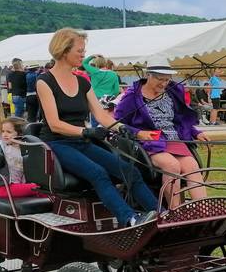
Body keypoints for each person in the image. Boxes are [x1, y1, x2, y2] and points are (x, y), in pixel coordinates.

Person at [35, 27, 158, 228]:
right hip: (57, 143)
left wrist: (125, 129)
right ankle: (130, 219)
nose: (84, 55)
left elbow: (101, 115)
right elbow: (54, 124)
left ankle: (160, 216)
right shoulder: (44, 81)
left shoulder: (83, 81)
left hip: (80, 142)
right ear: (64, 50)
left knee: (130, 171)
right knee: (98, 173)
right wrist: (86, 131)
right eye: (80, 51)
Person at [114, 58, 210, 207]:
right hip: (150, 142)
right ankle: (174, 211)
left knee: (192, 166)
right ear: (148, 75)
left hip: (174, 138)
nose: (164, 83)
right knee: (172, 166)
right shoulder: (132, 96)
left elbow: (179, 118)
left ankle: (204, 210)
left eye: (167, 79)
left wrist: (195, 132)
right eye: (160, 79)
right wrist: (138, 132)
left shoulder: (172, 91)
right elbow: (118, 122)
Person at [82, 54, 121, 127]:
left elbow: (84, 63)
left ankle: (96, 137)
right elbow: (116, 90)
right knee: (107, 121)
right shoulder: (113, 74)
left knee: (95, 121)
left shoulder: (94, 71)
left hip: (95, 99)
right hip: (109, 100)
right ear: (105, 63)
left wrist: (92, 56)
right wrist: (112, 96)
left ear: (96, 63)